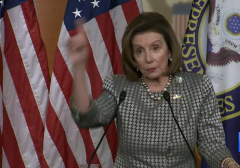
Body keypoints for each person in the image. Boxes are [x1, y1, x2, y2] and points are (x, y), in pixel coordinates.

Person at [68, 12, 239, 168]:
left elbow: (211, 142)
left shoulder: (198, 87)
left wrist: (228, 163)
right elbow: (89, 117)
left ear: (170, 50)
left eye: (155, 48)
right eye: (139, 51)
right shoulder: (120, 87)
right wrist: (78, 66)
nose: (148, 59)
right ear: (133, 58)